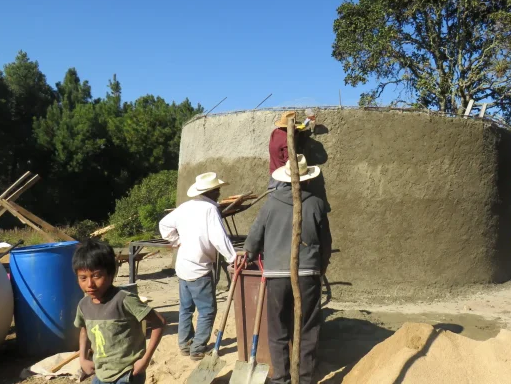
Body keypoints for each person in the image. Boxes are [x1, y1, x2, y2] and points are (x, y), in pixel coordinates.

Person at [244, 154, 332, 384]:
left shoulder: (270, 204)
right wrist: (320, 268)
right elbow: (326, 243)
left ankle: (281, 378)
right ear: (307, 180)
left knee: (278, 327)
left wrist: (248, 253)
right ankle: (304, 379)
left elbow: (254, 238)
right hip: (308, 273)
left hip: (276, 274)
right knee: (307, 328)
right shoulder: (317, 203)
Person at [158, 172, 237, 360]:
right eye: (216, 189)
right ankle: (198, 349)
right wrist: (232, 258)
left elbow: (164, 224)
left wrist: (176, 241)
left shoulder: (185, 207)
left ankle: (185, 344)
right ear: (210, 191)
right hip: (199, 269)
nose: (218, 192)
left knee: (186, 309)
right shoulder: (210, 209)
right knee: (207, 310)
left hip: (183, 266)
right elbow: (219, 238)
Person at [73, 240, 166, 384]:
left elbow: (158, 322)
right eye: (83, 278)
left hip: (128, 373)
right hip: (102, 373)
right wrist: (83, 359)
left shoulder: (124, 300)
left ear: (111, 274)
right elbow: (84, 330)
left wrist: (145, 360)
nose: (90, 284)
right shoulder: (83, 305)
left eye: (97, 276)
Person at [269, 111, 306, 190]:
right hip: (283, 178)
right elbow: (290, 161)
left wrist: (296, 131)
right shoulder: (287, 140)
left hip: (273, 174)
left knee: (273, 198)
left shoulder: (275, 132)